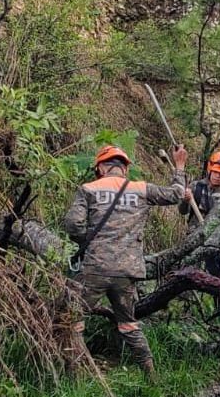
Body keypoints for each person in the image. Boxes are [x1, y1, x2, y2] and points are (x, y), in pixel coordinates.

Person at [63, 142, 188, 375]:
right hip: (127, 271)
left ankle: (76, 376)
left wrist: (87, 242)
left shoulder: (88, 189)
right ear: (125, 169)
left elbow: (73, 225)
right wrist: (179, 166)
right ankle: (151, 376)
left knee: (72, 319)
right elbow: (176, 194)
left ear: (100, 168)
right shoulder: (140, 189)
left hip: (95, 269)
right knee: (128, 323)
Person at [181, 150, 220, 280]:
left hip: (216, 241)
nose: (218, 176)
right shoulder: (196, 187)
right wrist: (184, 199)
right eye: (216, 172)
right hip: (194, 239)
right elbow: (183, 211)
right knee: (187, 274)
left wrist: (217, 234)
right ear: (210, 169)